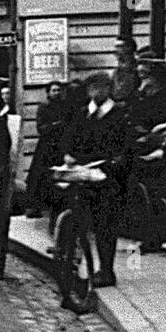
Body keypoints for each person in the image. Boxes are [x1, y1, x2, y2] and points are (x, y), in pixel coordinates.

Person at [59, 71, 131, 288]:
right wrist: (68, 156)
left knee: (105, 226)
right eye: (93, 88)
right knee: (79, 221)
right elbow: (69, 140)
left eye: (102, 87)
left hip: (109, 179)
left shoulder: (119, 115)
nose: (97, 92)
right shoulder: (83, 114)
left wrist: (114, 164)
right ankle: (78, 266)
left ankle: (106, 271)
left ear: (109, 89)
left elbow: (126, 149)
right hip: (84, 174)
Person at [25, 81, 68, 218]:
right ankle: (34, 207)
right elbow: (41, 128)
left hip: (61, 146)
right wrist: (55, 126)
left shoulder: (65, 107)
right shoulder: (43, 108)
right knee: (38, 176)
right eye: (54, 90)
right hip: (46, 146)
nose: (57, 93)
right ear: (48, 93)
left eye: (58, 90)